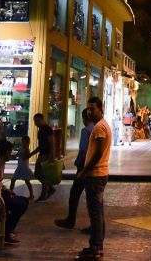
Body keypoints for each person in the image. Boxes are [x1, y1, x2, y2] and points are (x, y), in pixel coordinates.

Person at [74, 97, 111, 261]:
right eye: (88, 109)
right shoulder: (102, 125)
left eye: (92, 109)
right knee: (98, 212)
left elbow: (99, 152)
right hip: (99, 174)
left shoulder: (99, 128)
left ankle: (95, 248)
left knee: (95, 213)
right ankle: (98, 246)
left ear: (100, 109)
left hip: (95, 175)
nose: (89, 112)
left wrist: (84, 170)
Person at [54, 109, 93, 230]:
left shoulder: (86, 130)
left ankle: (71, 220)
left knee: (75, 194)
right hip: (94, 167)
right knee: (92, 197)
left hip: (84, 167)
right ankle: (94, 224)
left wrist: (78, 163)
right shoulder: (97, 128)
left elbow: (83, 150)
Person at [29, 112, 56, 201]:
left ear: (42, 120)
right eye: (35, 121)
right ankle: (50, 188)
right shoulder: (40, 129)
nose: (36, 123)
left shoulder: (47, 129)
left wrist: (52, 156)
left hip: (46, 155)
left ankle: (44, 194)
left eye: (38, 121)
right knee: (38, 174)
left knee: (42, 174)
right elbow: (41, 145)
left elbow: (52, 143)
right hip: (42, 154)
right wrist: (31, 154)